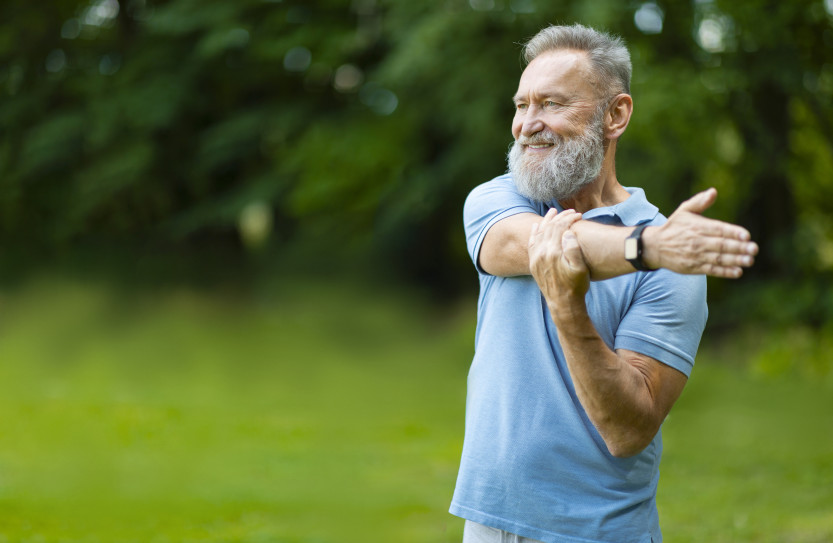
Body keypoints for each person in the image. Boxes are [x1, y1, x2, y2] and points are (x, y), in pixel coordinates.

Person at [449, 24, 759, 543]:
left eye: (551, 104)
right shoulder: (498, 200)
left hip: (599, 531)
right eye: (521, 105)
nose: (528, 124)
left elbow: (628, 430)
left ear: (615, 115)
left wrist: (570, 311)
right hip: (489, 523)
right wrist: (648, 249)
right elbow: (522, 246)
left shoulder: (676, 263)